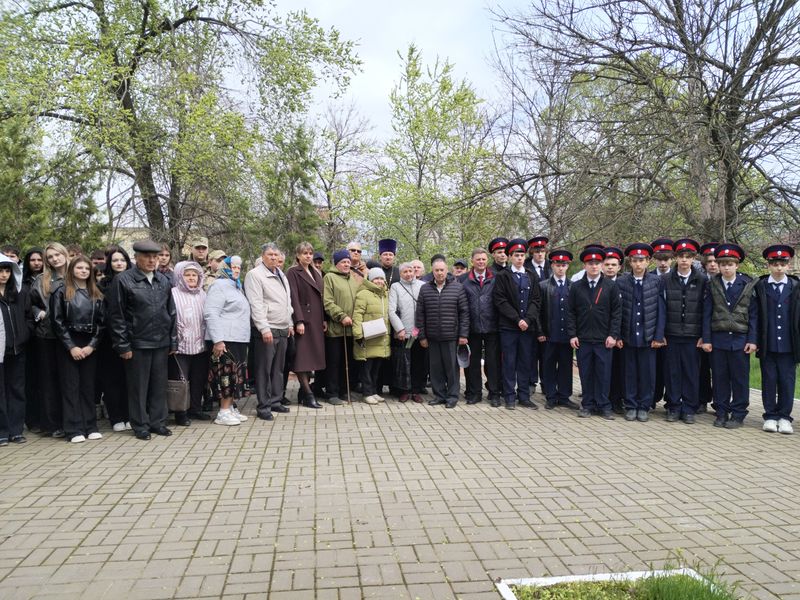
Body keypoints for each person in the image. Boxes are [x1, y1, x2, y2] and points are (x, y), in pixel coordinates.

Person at [106, 239, 178, 440]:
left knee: (158, 385)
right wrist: (123, 345)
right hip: (137, 343)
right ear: (136, 257)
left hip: (161, 342)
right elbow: (117, 316)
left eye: (155, 257)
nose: (152, 260)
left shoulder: (163, 280)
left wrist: (173, 341)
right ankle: (140, 425)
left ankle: (158, 422)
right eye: (147, 257)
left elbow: (171, 312)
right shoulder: (124, 280)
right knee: (138, 388)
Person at [701, 243, 758, 429]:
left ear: (737, 265)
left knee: (740, 378)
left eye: (730, 264)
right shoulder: (712, 284)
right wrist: (707, 339)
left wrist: (752, 340)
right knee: (719, 377)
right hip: (719, 339)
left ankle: (739, 413)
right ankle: (722, 411)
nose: (726, 267)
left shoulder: (747, 284)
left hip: (740, 340)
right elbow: (707, 313)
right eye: (723, 263)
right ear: (718, 265)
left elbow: (754, 315)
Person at [50, 256, 105, 443]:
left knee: (88, 387)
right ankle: (73, 429)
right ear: (72, 269)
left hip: (89, 343)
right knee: (70, 387)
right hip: (69, 343)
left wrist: (92, 346)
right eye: (79, 267)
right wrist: (71, 346)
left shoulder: (96, 293)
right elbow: (57, 322)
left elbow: (102, 323)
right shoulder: (61, 291)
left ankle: (91, 425)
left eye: (86, 268)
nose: (83, 271)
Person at [656, 239, 707, 424]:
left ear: (694, 259)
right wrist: (660, 333)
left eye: (688, 257)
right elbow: (661, 308)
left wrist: (704, 335)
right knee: (672, 372)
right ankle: (673, 406)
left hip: (693, 336)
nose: (684, 260)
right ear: (675, 258)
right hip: (671, 334)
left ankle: (688, 408)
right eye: (681, 256)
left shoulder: (701, 280)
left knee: (691, 372)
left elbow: (705, 310)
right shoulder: (665, 279)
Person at [568, 247, 621, 419]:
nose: (594, 266)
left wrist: (613, 335)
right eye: (591, 263)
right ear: (585, 265)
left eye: (597, 263)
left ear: (602, 265)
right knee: (586, 373)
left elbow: (616, 313)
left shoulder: (611, 286)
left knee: (603, 374)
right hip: (583, 339)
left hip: (603, 339)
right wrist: (572, 334)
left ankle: (604, 405)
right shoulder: (576, 287)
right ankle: (588, 404)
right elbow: (570, 312)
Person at [244, 242, 294, 420]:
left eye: (276, 255)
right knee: (264, 369)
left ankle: (275, 400)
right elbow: (255, 303)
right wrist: (263, 328)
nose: (274, 257)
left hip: (282, 327)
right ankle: (263, 405)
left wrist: (289, 322)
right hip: (267, 328)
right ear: (263, 256)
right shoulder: (255, 275)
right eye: (270, 254)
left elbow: (287, 302)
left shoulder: (281, 274)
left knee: (278, 369)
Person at [616, 243, 664, 422]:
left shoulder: (656, 281)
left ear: (648, 261)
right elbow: (617, 312)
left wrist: (658, 335)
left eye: (641, 260)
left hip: (648, 335)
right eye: (635, 260)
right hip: (628, 336)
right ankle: (630, 405)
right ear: (630, 262)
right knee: (629, 372)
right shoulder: (622, 281)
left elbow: (661, 310)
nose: (638, 264)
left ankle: (644, 406)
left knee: (647, 373)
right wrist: (618, 335)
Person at [754, 245, 799, 435]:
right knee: (769, 380)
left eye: (782, 264)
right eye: (775, 264)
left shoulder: (795, 287)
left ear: (788, 265)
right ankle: (770, 415)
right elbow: (755, 316)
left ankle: (785, 417)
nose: (779, 268)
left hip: (789, 344)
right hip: (768, 342)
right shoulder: (761, 286)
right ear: (768, 265)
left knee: (787, 381)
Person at [494, 239, 541, 410]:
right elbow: (500, 300)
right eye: (516, 255)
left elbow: (536, 300)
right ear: (510, 256)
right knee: (509, 362)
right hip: (509, 327)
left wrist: (527, 320)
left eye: (522, 255)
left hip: (527, 328)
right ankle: (509, 396)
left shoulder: (531, 275)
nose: (520, 258)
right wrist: (517, 319)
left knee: (525, 362)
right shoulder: (503, 276)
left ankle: (524, 396)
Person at [205, 256, 251, 426]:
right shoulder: (218, 285)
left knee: (235, 375)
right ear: (224, 268)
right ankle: (223, 412)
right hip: (225, 339)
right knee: (226, 375)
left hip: (238, 338)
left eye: (239, 267)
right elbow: (211, 313)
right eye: (233, 267)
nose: (236, 270)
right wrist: (218, 340)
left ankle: (230, 407)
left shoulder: (236, 286)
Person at [30, 242, 69, 437]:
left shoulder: (77, 273)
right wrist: (40, 313)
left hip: (71, 337)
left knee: (69, 380)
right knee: (49, 381)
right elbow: (31, 305)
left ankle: (70, 421)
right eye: (51, 257)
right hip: (48, 336)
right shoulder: (41, 279)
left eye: (57, 255)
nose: (55, 259)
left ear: (64, 254)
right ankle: (53, 425)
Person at [460, 248, 501, 406]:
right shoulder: (463, 280)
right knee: (473, 363)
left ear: (487, 261)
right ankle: (474, 393)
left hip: (492, 327)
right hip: (472, 328)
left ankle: (494, 393)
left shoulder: (496, 278)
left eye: (484, 259)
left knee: (493, 362)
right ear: (472, 261)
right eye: (478, 259)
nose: (481, 262)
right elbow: (461, 306)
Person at [286, 242, 326, 409]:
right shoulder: (293, 272)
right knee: (302, 359)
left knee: (312, 358)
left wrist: (323, 319)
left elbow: (320, 298)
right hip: (304, 321)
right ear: (298, 255)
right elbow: (293, 297)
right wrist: (298, 320)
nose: (308, 256)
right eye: (304, 253)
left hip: (316, 320)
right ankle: (308, 395)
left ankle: (303, 392)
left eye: (310, 253)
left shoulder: (316, 272)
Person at [538, 250, 577, 410]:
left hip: (567, 336)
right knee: (548, 365)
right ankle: (551, 396)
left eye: (564, 265)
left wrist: (574, 333)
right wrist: (540, 332)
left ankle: (564, 396)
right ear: (552, 265)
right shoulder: (544, 286)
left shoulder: (573, 286)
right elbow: (538, 311)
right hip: (549, 334)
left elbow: (576, 312)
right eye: (557, 265)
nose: (560, 268)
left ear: (568, 266)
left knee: (566, 366)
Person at [169, 261, 208, 426]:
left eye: (195, 275)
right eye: (188, 275)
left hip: (201, 345)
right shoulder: (172, 293)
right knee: (181, 381)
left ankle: (195, 408)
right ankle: (180, 412)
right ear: (180, 276)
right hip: (181, 346)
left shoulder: (203, 294)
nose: (192, 278)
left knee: (198, 378)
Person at [97, 246, 131, 431]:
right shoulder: (102, 285)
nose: (119, 263)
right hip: (108, 340)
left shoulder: (134, 281)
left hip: (130, 337)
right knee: (111, 380)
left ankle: (129, 416)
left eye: (122, 260)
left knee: (129, 380)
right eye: (115, 260)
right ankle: (116, 417)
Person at [323, 249, 361, 404]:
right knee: (335, 362)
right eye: (343, 262)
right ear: (336, 264)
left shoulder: (353, 279)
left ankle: (345, 391)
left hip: (351, 329)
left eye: (348, 262)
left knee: (349, 362)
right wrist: (341, 316)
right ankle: (332, 393)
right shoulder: (329, 278)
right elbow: (327, 302)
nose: (346, 264)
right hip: (336, 329)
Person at [0, 254, 31, 445]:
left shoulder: (19, 293)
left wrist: (25, 333)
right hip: (0, 352)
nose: (4, 275)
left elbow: (28, 315)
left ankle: (16, 430)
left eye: (7, 271)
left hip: (17, 349)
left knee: (17, 390)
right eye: (0, 271)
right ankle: (2, 431)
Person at [352, 268, 391, 404]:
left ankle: (374, 391)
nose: (379, 281)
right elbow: (357, 315)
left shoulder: (385, 294)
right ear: (370, 280)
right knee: (366, 368)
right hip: (367, 337)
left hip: (381, 338)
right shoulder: (363, 294)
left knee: (376, 368)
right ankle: (367, 393)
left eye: (381, 278)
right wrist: (358, 334)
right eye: (376, 279)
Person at [388, 262, 425, 403]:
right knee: (402, 363)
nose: (409, 274)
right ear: (401, 273)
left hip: (418, 332)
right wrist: (399, 328)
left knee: (418, 362)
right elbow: (391, 310)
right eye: (405, 272)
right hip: (403, 332)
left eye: (411, 271)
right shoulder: (396, 287)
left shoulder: (422, 285)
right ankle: (404, 390)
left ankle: (416, 390)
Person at [21, 247, 43, 432]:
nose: (36, 263)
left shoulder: (48, 280)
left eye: (39, 259)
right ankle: (32, 419)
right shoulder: (21, 282)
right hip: (28, 336)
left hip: (47, 334)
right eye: (33, 260)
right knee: (30, 380)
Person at [697, 242, 719, 413]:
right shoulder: (700, 281)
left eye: (715, 261)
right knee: (702, 368)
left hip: (721, 331)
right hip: (701, 331)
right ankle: (702, 399)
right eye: (709, 261)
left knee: (719, 370)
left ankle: (719, 402)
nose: (713, 264)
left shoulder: (728, 281)